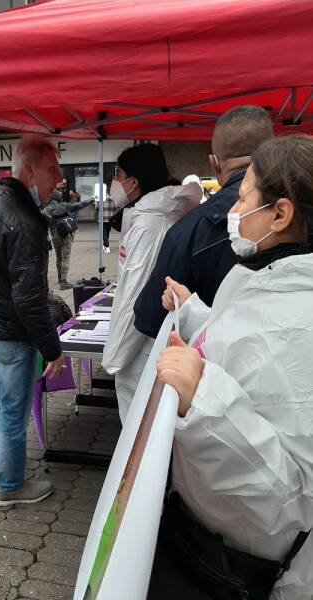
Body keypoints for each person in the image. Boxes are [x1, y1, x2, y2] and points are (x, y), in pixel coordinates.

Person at [150, 135, 313, 600]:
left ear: (280, 215)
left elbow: (290, 500)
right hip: (216, 538)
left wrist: (203, 398)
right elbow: (238, 342)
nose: (233, 211)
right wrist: (192, 312)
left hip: (255, 569)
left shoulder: (301, 321)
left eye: (243, 198)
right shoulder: (264, 275)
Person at [0, 135, 64, 507]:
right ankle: (9, 485)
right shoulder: (23, 221)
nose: (59, 178)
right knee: (12, 410)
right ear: (31, 170)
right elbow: (29, 298)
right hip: (9, 332)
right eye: (52, 169)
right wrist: (52, 349)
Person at [134, 105, 274, 339]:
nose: (237, 210)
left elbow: (148, 319)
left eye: (244, 200)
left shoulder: (191, 230)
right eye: (239, 200)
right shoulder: (299, 216)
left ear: (214, 163)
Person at [101, 144, 202, 423]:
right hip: (154, 335)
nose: (114, 182)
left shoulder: (149, 223)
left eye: (118, 174)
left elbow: (134, 293)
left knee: (139, 420)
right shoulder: (161, 213)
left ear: (134, 181)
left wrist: (115, 357)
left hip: (141, 343)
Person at [42, 188, 94, 290]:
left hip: (54, 235)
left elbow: (41, 220)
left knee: (58, 257)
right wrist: (90, 200)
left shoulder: (47, 209)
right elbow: (79, 205)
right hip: (66, 235)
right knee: (66, 257)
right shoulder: (64, 205)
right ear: (59, 197)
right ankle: (64, 282)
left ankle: (60, 278)